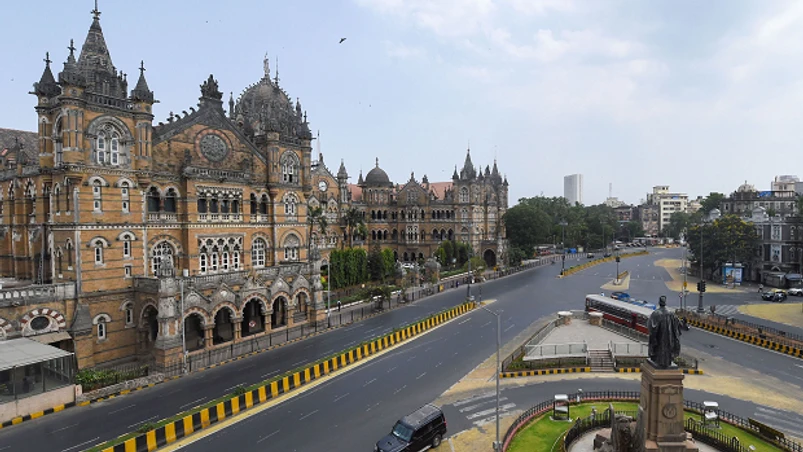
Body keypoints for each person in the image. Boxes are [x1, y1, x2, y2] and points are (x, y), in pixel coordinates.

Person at [647, 295, 682, 369]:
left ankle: (659, 361)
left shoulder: (656, 313)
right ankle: (666, 361)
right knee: (666, 351)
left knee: (659, 351)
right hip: (669, 339)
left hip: (659, 339)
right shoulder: (671, 314)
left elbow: (652, 328)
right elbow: (677, 325)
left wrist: (653, 339)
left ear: (659, 302)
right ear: (665, 303)